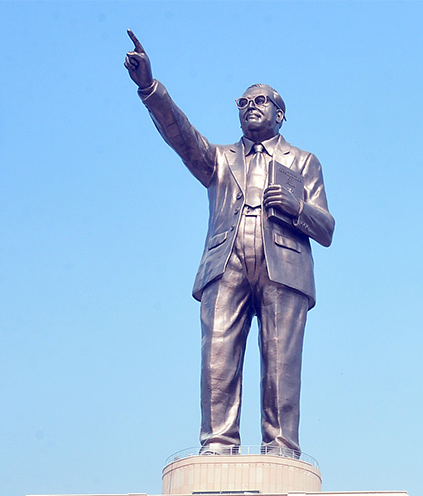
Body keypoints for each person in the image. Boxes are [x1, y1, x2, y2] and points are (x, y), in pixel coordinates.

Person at [125, 31, 334, 457]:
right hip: (227, 262)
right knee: (217, 357)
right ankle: (218, 445)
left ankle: (280, 447)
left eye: (259, 101)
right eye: (242, 102)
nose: (250, 107)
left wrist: (297, 206)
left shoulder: (304, 162)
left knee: (281, 363)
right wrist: (150, 88)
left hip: (285, 266)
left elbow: (327, 229)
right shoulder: (219, 159)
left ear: (280, 114)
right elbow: (181, 136)